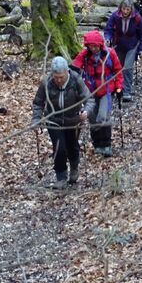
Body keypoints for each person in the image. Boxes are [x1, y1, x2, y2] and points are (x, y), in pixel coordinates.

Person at [31, 56, 90, 189]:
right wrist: (36, 119)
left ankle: (74, 166)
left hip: (73, 120)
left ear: (67, 73)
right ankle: (61, 177)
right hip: (54, 120)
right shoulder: (46, 83)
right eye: (56, 77)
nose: (58, 80)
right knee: (59, 148)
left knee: (72, 146)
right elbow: (38, 103)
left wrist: (86, 111)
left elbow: (89, 99)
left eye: (61, 77)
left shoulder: (76, 80)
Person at [71, 30, 124, 158]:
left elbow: (118, 71)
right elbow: (74, 67)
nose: (93, 48)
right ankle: (97, 144)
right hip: (90, 92)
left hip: (106, 90)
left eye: (95, 46)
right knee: (93, 119)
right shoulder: (84, 55)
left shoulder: (110, 53)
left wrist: (119, 87)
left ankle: (106, 144)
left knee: (103, 117)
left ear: (100, 45)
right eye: (90, 46)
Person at [104, 0, 142, 102]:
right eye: (124, 9)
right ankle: (119, 87)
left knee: (127, 67)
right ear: (120, 8)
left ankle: (127, 90)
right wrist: (107, 38)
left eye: (127, 9)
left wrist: (141, 48)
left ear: (131, 9)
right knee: (118, 67)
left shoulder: (137, 18)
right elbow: (108, 29)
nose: (125, 11)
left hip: (132, 45)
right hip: (118, 45)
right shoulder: (115, 16)